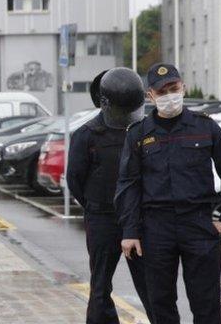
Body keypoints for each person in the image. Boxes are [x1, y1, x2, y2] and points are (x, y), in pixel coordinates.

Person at [115, 63, 221, 324]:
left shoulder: (205, 127)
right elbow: (128, 184)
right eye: (161, 91)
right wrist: (130, 231)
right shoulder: (139, 134)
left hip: (197, 224)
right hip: (156, 227)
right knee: (160, 302)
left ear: (183, 87)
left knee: (206, 302)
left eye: (173, 88)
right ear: (150, 96)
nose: (169, 95)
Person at [67, 68, 153, 324]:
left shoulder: (145, 129)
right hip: (102, 218)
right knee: (100, 286)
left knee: (151, 286)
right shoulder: (86, 135)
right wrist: (97, 206)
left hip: (138, 220)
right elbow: (75, 180)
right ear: (105, 103)